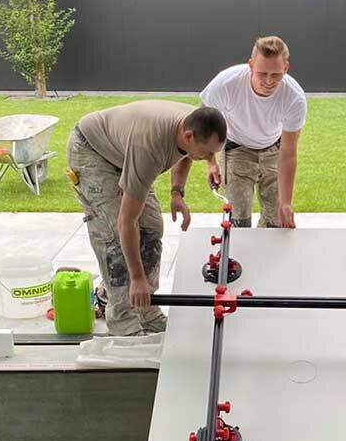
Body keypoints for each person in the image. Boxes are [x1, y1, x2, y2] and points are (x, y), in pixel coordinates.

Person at [65, 101, 226, 336]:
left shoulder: (190, 123)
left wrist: (176, 192)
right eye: (209, 153)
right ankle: (123, 322)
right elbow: (126, 222)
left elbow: (187, 155)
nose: (212, 158)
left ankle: (146, 310)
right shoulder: (149, 148)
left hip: (123, 152)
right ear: (188, 135)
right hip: (92, 151)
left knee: (152, 226)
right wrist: (137, 277)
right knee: (114, 235)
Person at [202, 35, 306, 228]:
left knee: (276, 222)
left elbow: (288, 151)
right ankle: (240, 257)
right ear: (250, 65)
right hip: (236, 148)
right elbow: (203, 124)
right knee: (238, 219)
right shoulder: (226, 83)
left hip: (274, 149)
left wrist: (285, 203)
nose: (268, 81)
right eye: (261, 73)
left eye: (276, 75)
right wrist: (211, 161)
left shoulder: (294, 97)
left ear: (286, 68)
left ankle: (267, 258)